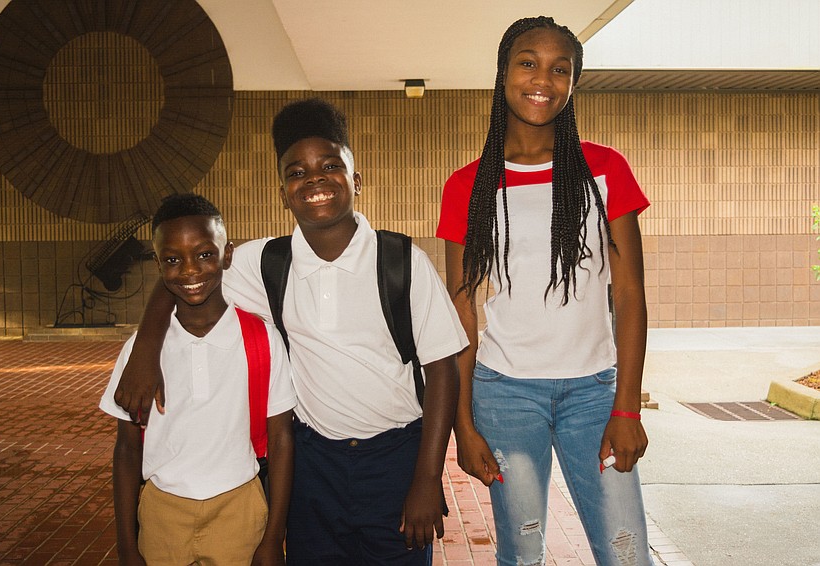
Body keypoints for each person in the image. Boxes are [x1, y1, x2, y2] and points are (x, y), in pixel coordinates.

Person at [113, 98, 469, 565]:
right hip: (312, 463)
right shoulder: (265, 263)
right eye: (297, 172)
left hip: (395, 457)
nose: (315, 179)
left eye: (330, 166)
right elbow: (183, 275)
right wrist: (147, 349)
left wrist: (427, 477)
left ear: (355, 179)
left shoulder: (401, 261)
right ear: (283, 192)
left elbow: (442, 368)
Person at [436, 16, 655, 566]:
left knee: (626, 553)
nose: (544, 79)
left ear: (574, 84)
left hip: (594, 393)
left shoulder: (604, 171)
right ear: (504, 72)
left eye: (561, 69)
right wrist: (464, 423)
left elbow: (628, 293)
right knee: (523, 551)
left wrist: (626, 407)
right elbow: (461, 310)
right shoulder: (468, 185)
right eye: (528, 62)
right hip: (506, 395)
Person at [99, 193, 297, 566]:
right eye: (173, 260)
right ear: (158, 265)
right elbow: (126, 448)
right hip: (162, 511)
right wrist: (127, 546)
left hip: (239, 507)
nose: (190, 271)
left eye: (205, 254)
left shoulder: (261, 339)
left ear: (227, 254)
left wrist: (274, 539)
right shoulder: (140, 353)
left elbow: (282, 438)